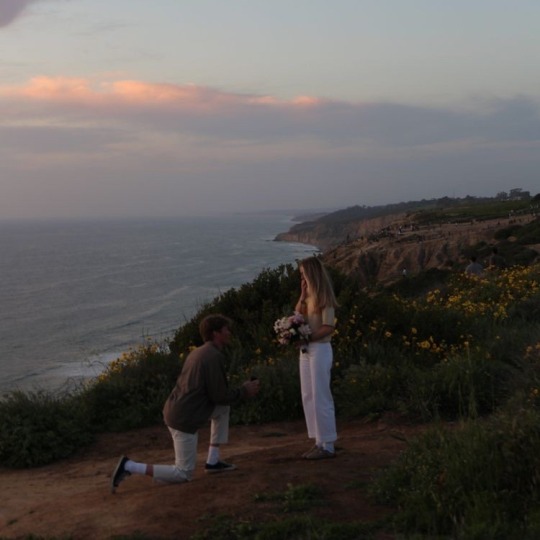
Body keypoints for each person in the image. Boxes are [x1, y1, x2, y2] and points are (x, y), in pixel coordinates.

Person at [110, 314, 260, 493]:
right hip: (184, 419)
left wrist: (240, 391)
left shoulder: (200, 352)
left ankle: (213, 461)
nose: (229, 332)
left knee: (222, 409)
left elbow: (218, 398)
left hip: (178, 409)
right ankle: (130, 466)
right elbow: (219, 395)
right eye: (226, 329)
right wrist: (244, 391)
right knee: (183, 473)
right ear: (216, 333)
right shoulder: (213, 357)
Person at [294, 256, 339, 460]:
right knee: (308, 395)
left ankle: (328, 444)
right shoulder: (308, 297)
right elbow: (297, 315)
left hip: (320, 348)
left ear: (311, 274)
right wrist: (302, 295)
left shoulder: (324, 297)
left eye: (303, 274)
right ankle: (318, 441)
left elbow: (328, 327)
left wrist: (308, 338)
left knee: (321, 394)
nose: (301, 278)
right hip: (306, 350)